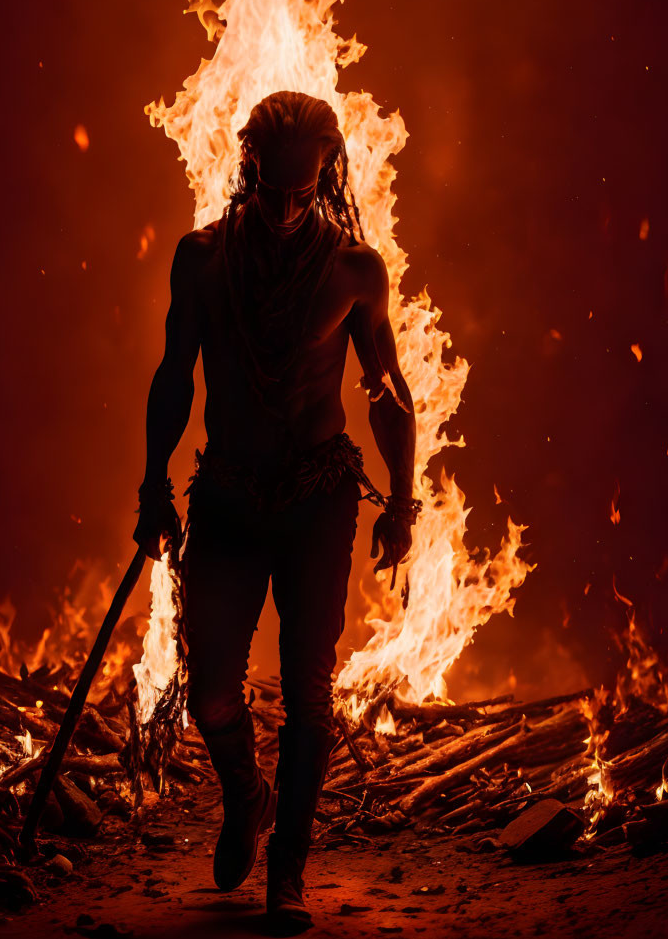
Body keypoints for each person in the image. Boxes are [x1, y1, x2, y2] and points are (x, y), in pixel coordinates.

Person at [133, 91, 418, 933]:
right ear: (247, 169)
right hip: (225, 487)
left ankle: (287, 869)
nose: (290, 208)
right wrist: (154, 483)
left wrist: (402, 500)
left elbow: (388, 389)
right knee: (213, 693)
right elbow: (174, 373)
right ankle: (247, 795)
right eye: (272, 188)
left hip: (317, 497)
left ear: (326, 173)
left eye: (305, 189)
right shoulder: (204, 260)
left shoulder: (355, 270)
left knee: (308, 693)